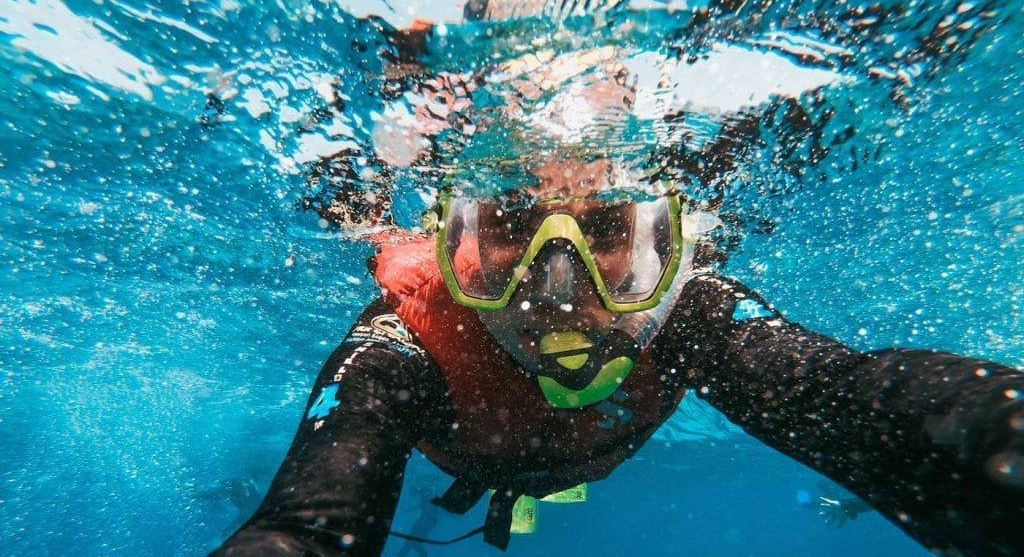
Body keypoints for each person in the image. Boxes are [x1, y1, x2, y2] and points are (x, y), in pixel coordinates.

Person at [212, 153, 1024, 557]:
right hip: (492, 453)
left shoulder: (691, 314)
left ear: (657, 246)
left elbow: (851, 400)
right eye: (510, 229)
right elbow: (300, 528)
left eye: (602, 233)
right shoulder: (406, 338)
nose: (555, 289)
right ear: (456, 244)